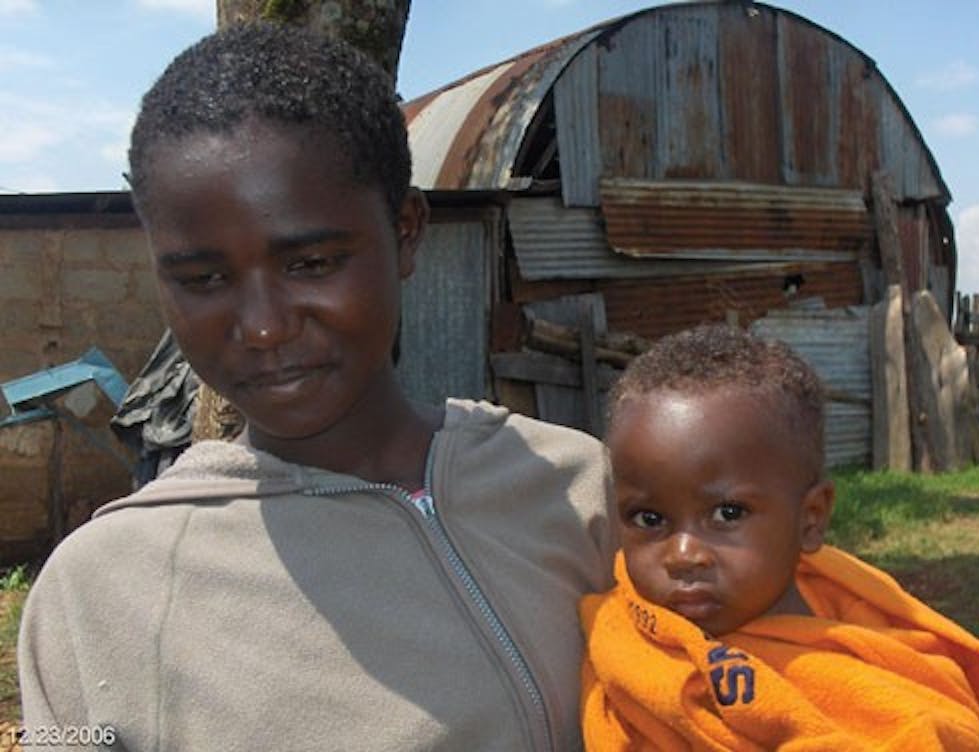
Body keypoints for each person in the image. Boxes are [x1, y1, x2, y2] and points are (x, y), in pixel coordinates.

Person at [18, 23, 616, 751]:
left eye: (311, 264)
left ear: (406, 231)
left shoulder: (581, 493)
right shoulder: (102, 590)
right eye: (203, 279)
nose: (264, 326)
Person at [580, 324, 979, 750]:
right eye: (649, 518)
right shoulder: (624, 643)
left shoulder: (879, 657)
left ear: (811, 519)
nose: (683, 555)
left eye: (727, 513)